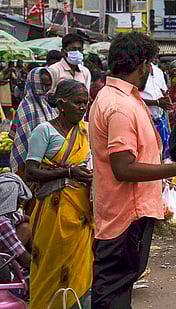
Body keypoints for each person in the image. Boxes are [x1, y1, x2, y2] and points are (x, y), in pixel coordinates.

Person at [88, 32, 176, 308]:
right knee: (113, 292)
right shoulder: (119, 105)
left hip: (129, 211)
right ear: (143, 64)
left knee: (120, 288)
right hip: (124, 216)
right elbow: (124, 168)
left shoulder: (124, 99)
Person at [25, 79, 93, 309]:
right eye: (78, 103)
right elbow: (31, 171)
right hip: (53, 213)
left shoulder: (85, 131)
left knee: (79, 264)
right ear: (62, 105)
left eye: (85, 102)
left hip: (81, 211)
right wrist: (69, 172)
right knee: (51, 263)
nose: (83, 107)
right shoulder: (44, 131)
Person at [9, 67, 57, 175]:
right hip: (31, 158)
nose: (45, 89)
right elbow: (23, 137)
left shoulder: (48, 104)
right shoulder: (26, 107)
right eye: (42, 85)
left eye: (48, 85)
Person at [140, 61, 173, 160]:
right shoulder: (135, 72)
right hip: (145, 122)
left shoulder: (158, 72)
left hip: (161, 121)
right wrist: (156, 102)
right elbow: (132, 98)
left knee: (163, 157)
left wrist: (167, 100)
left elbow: (164, 92)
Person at [0, 172, 32, 270]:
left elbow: (25, 218)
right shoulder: (2, 222)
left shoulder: (10, 215)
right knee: (26, 228)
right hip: (4, 266)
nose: (20, 202)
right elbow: (25, 260)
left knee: (26, 226)